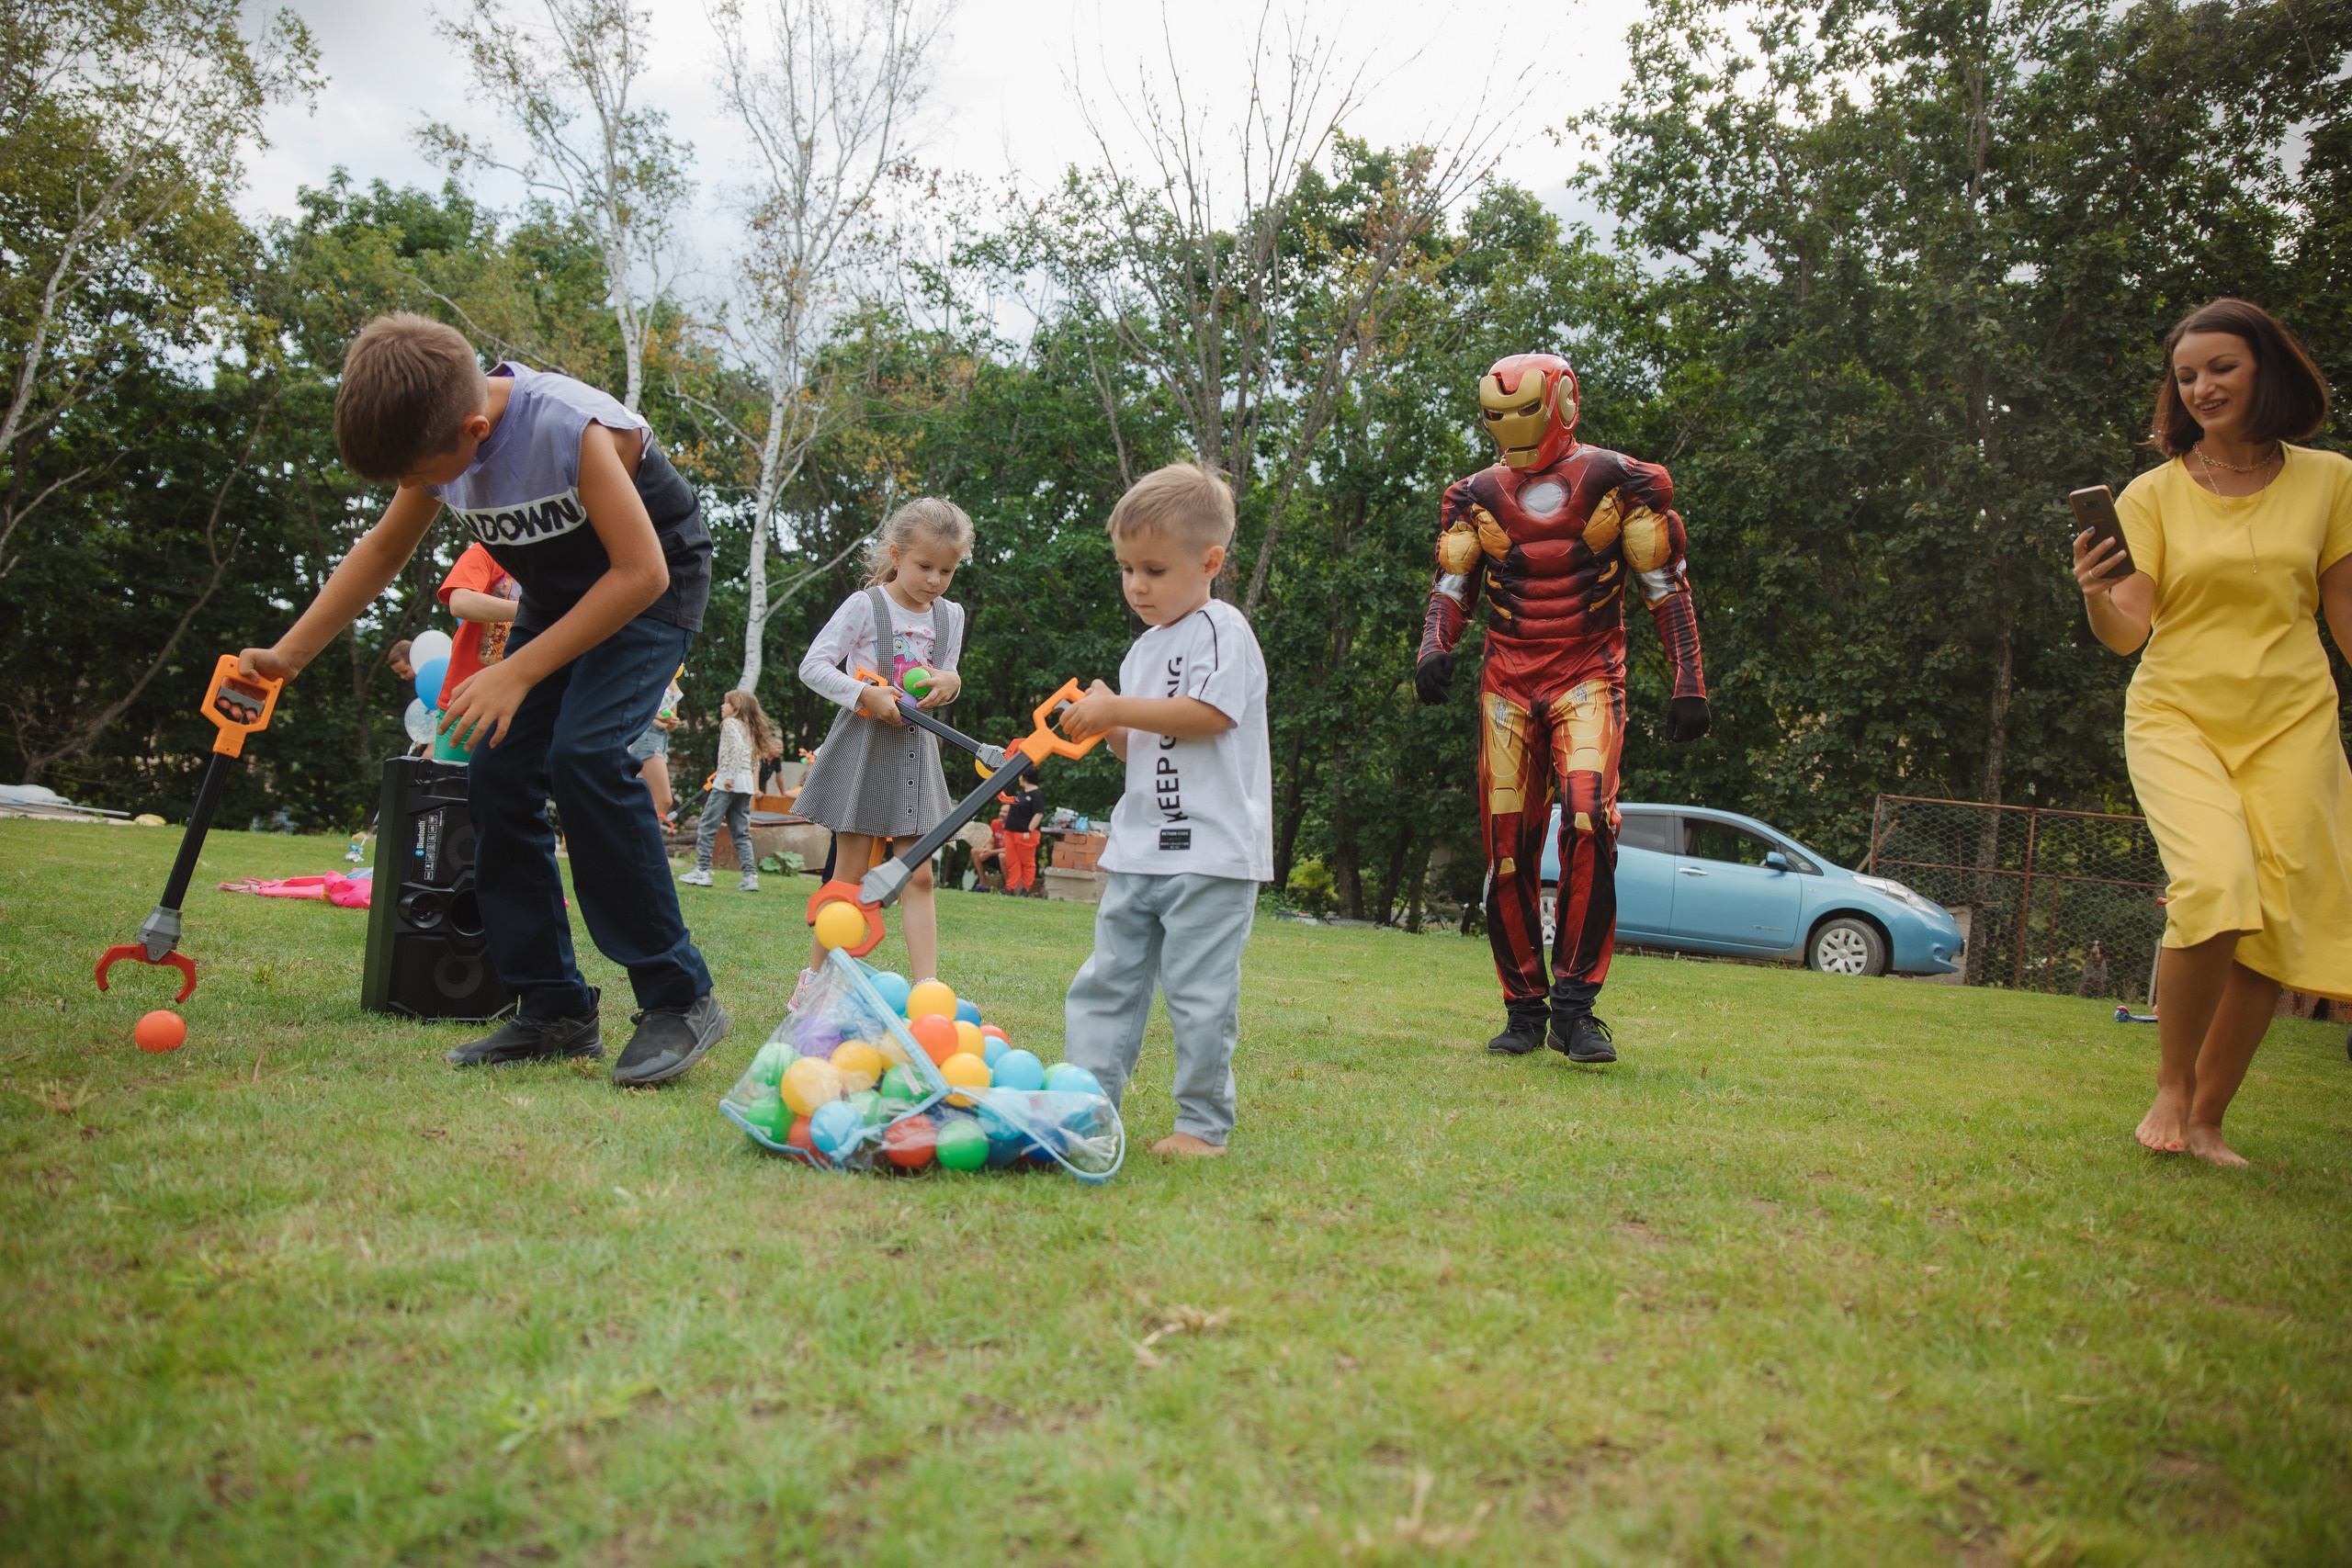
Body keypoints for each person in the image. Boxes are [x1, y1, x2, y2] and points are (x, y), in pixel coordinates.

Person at [237, 312, 729, 1087]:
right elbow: (382, 549)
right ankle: (554, 1006)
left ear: (473, 428)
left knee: (586, 755)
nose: (422, 488)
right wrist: (286, 655)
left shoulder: (569, 427)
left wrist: (519, 670)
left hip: (648, 591)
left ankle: (679, 996)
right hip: (555, 596)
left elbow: (642, 573)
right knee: (497, 772)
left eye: (423, 475)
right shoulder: (436, 438)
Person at [2074, 298, 2352, 1167]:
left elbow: (2346, 616)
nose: (2202, 387)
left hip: (2293, 722)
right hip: (2179, 716)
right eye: (2187, 375)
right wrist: (2095, 593)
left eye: (2222, 368)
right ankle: (2171, 1084)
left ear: (2267, 368)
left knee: (2273, 918)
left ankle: (2207, 1119)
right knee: (2216, 882)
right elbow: (2129, 631)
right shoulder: (2152, 494)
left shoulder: (2331, 481)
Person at [1414, 352, 1712, 1062]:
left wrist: (1690, 681)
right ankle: (1524, 1007)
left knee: (1587, 818)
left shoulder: (1616, 480)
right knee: (1506, 846)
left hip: (1588, 676)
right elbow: (1452, 585)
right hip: (1508, 683)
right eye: (1499, 415)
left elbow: (1664, 585)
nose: (1512, 428)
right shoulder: (1476, 494)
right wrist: (1433, 646)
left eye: (1524, 410)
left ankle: (1574, 1011)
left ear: (1561, 402)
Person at [1059, 463, 1272, 1159]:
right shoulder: (1143, 650)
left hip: (1210, 854)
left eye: (1153, 569)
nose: (1137, 586)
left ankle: (1201, 1126)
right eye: (1126, 569)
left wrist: (1119, 707)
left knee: (1198, 995)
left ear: (1210, 562)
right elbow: (1141, 747)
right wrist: (1107, 724)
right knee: (1106, 984)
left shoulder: (1221, 628)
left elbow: (1210, 714)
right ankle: (1086, 1111)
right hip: (1139, 849)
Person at [793, 498, 971, 981]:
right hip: (863, 746)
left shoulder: (950, 616)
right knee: (848, 875)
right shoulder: (865, 606)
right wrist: (864, 694)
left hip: (917, 751)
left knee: (919, 873)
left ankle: (926, 990)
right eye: (924, 566)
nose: (935, 580)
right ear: (896, 555)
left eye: (947, 570)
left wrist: (951, 682)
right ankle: (815, 982)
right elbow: (813, 666)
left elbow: (947, 675)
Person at [430, 543, 521, 763]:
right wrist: (533, 610)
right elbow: (460, 602)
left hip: (527, 711)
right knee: (450, 782)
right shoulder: (489, 551)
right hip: (466, 707)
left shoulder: (557, 562)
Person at [682, 689, 775, 891]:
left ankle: (702, 870)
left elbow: (738, 749)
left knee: (707, 825)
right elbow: (753, 759)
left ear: (737, 706)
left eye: (726, 702)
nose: (722, 706)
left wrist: (730, 776)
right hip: (745, 784)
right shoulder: (749, 728)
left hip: (727, 781)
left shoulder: (730, 723)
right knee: (741, 832)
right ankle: (750, 876)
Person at [628, 670, 683, 829]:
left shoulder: (674, 688)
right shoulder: (652, 675)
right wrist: (657, 717)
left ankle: (637, 840)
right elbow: (638, 711)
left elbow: (671, 723)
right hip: (646, 736)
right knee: (664, 800)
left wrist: (672, 723)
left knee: (646, 799)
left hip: (662, 738)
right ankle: (646, 841)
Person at [1001, 765, 1046, 897]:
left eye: (1020, 775)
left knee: (1027, 863)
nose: (1019, 778)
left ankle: (1025, 889)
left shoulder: (1036, 794)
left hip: (1025, 834)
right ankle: (1010, 888)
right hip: (1011, 832)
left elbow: (1039, 813)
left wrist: (1029, 829)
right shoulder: (1022, 791)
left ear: (1026, 777)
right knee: (1012, 861)